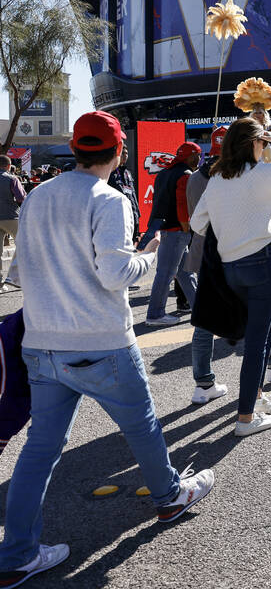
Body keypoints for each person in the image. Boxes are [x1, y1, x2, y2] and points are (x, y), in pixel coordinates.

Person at [0, 112, 215, 587]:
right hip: (101, 342)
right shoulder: (109, 199)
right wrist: (152, 255)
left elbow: (18, 274)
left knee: (40, 450)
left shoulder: (37, 196)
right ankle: (169, 496)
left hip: (41, 344)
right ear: (118, 152)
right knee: (141, 427)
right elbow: (115, 276)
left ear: (76, 149)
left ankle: (15, 555)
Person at [190, 119, 271, 436]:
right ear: (254, 143)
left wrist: (228, 229)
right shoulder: (262, 174)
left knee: (269, 322)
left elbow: (196, 223)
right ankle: (245, 417)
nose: (266, 145)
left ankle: (257, 396)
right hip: (262, 261)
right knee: (258, 341)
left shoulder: (218, 177)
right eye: (263, 141)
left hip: (230, 266)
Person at [145, 142, 202, 327]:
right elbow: (182, 206)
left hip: (167, 228)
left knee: (184, 272)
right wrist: (186, 228)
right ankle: (155, 314)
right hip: (177, 230)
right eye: (198, 155)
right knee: (166, 273)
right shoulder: (185, 175)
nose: (200, 159)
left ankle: (199, 308)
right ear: (192, 156)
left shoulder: (164, 173)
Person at [0, 156, 24, 288]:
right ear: (8, 166)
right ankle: (12, 276)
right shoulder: (12, 179)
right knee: (23, 244)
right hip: (11, 216)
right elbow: (21, 198)